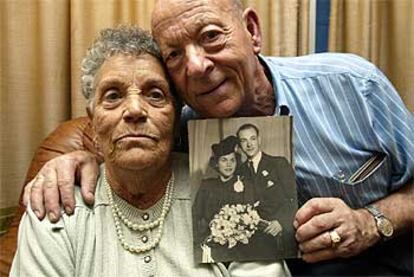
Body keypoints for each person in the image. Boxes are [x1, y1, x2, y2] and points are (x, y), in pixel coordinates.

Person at [21, 0, 414, 275]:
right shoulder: (183, 133)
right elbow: (130, 146)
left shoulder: (351, 85)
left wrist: (370, 221)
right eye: (174, 54)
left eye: (210, 36)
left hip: (391, 254)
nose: (196, 65)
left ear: (252, 31)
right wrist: (78, 159)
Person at [10, 26, 290, 277]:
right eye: (113, 96)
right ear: (93, 122)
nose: (134, 110)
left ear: (177, 119)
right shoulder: (58, 206)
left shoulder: (222, 191)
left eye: (155, 94)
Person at [236, 123, 298, 260]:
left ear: (259, 140)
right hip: (251, 240)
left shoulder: (278, 164)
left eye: (252, 139)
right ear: (239, 145)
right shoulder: (239, 172)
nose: (249, 144)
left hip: (279, 237)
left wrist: (282, 222)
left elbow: (294, 197)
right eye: (244, 141)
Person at [193, 135, 257, 263]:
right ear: (216, 163)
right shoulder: (207, 185)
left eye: (232, 160)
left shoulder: (245, 185)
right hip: (211, 243)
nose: (229, 165)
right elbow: (195, 215)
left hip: (239, 247)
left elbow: (250, 217)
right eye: (224, 160)